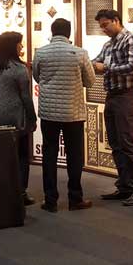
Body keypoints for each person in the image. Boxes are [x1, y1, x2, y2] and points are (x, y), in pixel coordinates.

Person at [32, 18, 95, 212]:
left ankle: (50, 200)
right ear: (69, 33)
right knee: (74, 156)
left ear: (52, 32)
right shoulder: (80, 53)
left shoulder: (40, 52)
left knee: (49, 154)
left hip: (49, 112)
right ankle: (75, 198)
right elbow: (90, 81)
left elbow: (36, 76)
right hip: (73, 113)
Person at [92, 9, 133, 207]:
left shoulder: (132, 39)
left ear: (116, 20)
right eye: (101, 26)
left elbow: (131, 67)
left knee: (127, 143)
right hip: (113, 96)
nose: (103, 29)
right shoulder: (108, 45)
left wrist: (105, 68)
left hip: (128, 96)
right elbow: (95, 62)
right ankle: (125, 187)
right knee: (115, 143)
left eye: (106, 24)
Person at [0, 32, 37, 207]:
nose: (22, 47)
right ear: (13, 46)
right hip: (15, 116)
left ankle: (0, 189)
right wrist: (32, 117)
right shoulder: (19, 69)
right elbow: (25, 97)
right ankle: (20, 192)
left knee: (0, 154)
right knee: (22, 155)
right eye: (20, 44)